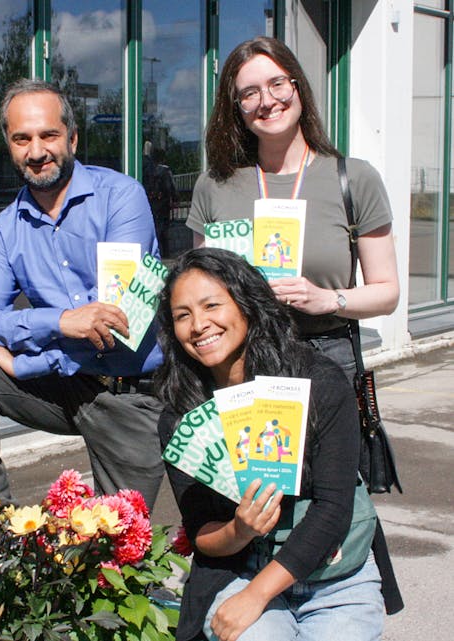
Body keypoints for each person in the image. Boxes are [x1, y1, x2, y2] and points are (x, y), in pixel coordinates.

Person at [155, 248, 401, 641]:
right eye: (182, 315)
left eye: (212, 305)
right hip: (240, 571)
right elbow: (201, 532)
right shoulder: (181, 415)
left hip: (336, 577)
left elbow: (333, 509)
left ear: (247, 305)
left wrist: (256, 596)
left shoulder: (318, 381)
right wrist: (239, 529)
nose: (199, 325)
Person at [0, 79, 164, 508]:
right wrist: (61, 321)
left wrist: (27, 363)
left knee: (117, 539)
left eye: (49, 135)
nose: (36, 151)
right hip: (60, 390)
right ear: (9, 145)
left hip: (128, 392)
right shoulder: (4, 230)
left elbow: (119, 323)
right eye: (22, 139)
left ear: (72, 139)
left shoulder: (121, 198)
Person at [188, 36, 399, 377]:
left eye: (277, 84)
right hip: (241, 358)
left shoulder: (354, 179)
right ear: (236, 107)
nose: (267, 101)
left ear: (298, 87)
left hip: (326, 354)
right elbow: (200, 289)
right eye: (250, 93)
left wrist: (329, 299)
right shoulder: (214, 185)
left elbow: (387, 293)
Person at [143, 142, 179, 254]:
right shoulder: (165, 171)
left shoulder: (146, 169)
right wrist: (175, 198)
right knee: (163, 228)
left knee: (154, 226)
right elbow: (169, 186)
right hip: (163, 202)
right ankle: (165, 251)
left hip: (150, 201)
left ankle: (154, 250)